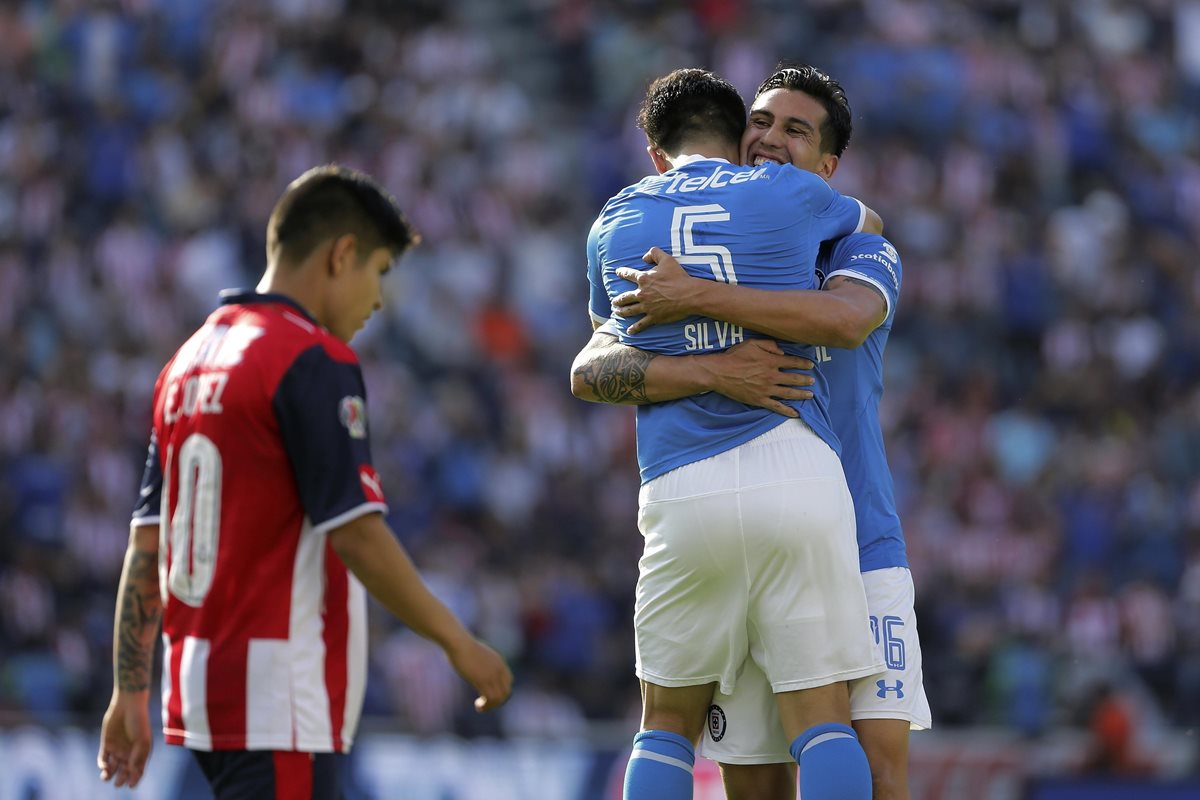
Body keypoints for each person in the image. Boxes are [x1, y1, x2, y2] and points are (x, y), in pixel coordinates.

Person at [98, 165, 513, 798]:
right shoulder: (309, 359)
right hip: (281, 700)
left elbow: (145, 546)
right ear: (341, 255)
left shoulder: (184, 364)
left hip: (201, 695)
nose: (377, 300)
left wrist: (130, 689)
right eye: (377, 272)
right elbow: (358, 535)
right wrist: (457, 642)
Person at [572, 65, 930, 800]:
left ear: (829, 169)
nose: (768, 138)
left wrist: (690, 296)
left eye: (794, 130)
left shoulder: (862, 253)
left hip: (862, 537)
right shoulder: (758, 221)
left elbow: (844, 319)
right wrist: (716, 369)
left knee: (884, 771)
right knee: (755, 778)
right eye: (759, 122)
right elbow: (589, 364)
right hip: (794, 504)